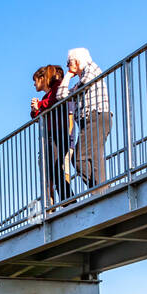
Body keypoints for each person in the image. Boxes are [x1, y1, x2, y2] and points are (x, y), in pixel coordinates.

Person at [67, 47, 111, 188]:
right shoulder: (81, 77)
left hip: (96, 116)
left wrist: (73, 91)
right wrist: (68, 76)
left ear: (77, 60)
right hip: (88, 120)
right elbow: (61, 96)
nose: (68, 66)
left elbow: (84, 84)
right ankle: (99, 188)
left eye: (69, 62)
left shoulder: (91, 67)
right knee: (85, 158)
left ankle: (100, 189)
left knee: (85, 157)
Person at [31, 64, 74, 204]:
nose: (34, 84)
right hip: (51, 136)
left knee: (56, 168)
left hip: (58, 134)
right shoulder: (45, 96)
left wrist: (41, 105)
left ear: (43, 78)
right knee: (52, 170)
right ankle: (64, 201)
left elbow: (54, 99)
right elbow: (38, 115)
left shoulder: (57, 86)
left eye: (35, 80)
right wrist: (35, 110)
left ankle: (68, 201)